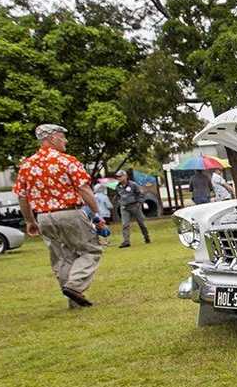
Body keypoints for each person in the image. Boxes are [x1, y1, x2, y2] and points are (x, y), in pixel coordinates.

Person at [14, 124, 106, 308]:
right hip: (70, 212)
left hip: (43, 217)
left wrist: (30, 221)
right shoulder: (67, 161)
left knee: (63, 258)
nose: (66, 140)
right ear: (53, 138)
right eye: (63, 137)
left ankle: (75, 302)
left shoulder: (27, 165)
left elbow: (22, 197)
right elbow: (84, 188)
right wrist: (96, 214)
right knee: (90, 250)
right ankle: (75, 286)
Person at [114, 169, 151, 248]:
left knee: (141, 223)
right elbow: (117, 195)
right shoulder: (117, 186)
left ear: (125, 176)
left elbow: (141, 194)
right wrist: (119, 201)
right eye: (117, 177)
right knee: (125, 224)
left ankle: (146, 237)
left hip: (134, 206)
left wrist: (139, 203)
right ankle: (126, 241)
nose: (118, 178)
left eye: (120, 176)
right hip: (124, 207)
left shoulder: (133, 185)